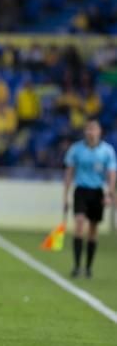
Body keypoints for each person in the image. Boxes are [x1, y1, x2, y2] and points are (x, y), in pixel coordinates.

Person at [63, 119, 116, 278]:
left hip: (97, 191)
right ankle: (77, 265)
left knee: (93, 230)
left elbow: (112, 174)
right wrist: (65, 196)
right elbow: (69, 172)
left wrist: (109, 194)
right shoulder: (76, 149)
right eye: (88, 130)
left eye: (94, 130)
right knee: (79, 224)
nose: (91, 133)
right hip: (81, 190)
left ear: (99, 132)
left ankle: (88, 267)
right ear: (85, 132)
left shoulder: (107, 151)